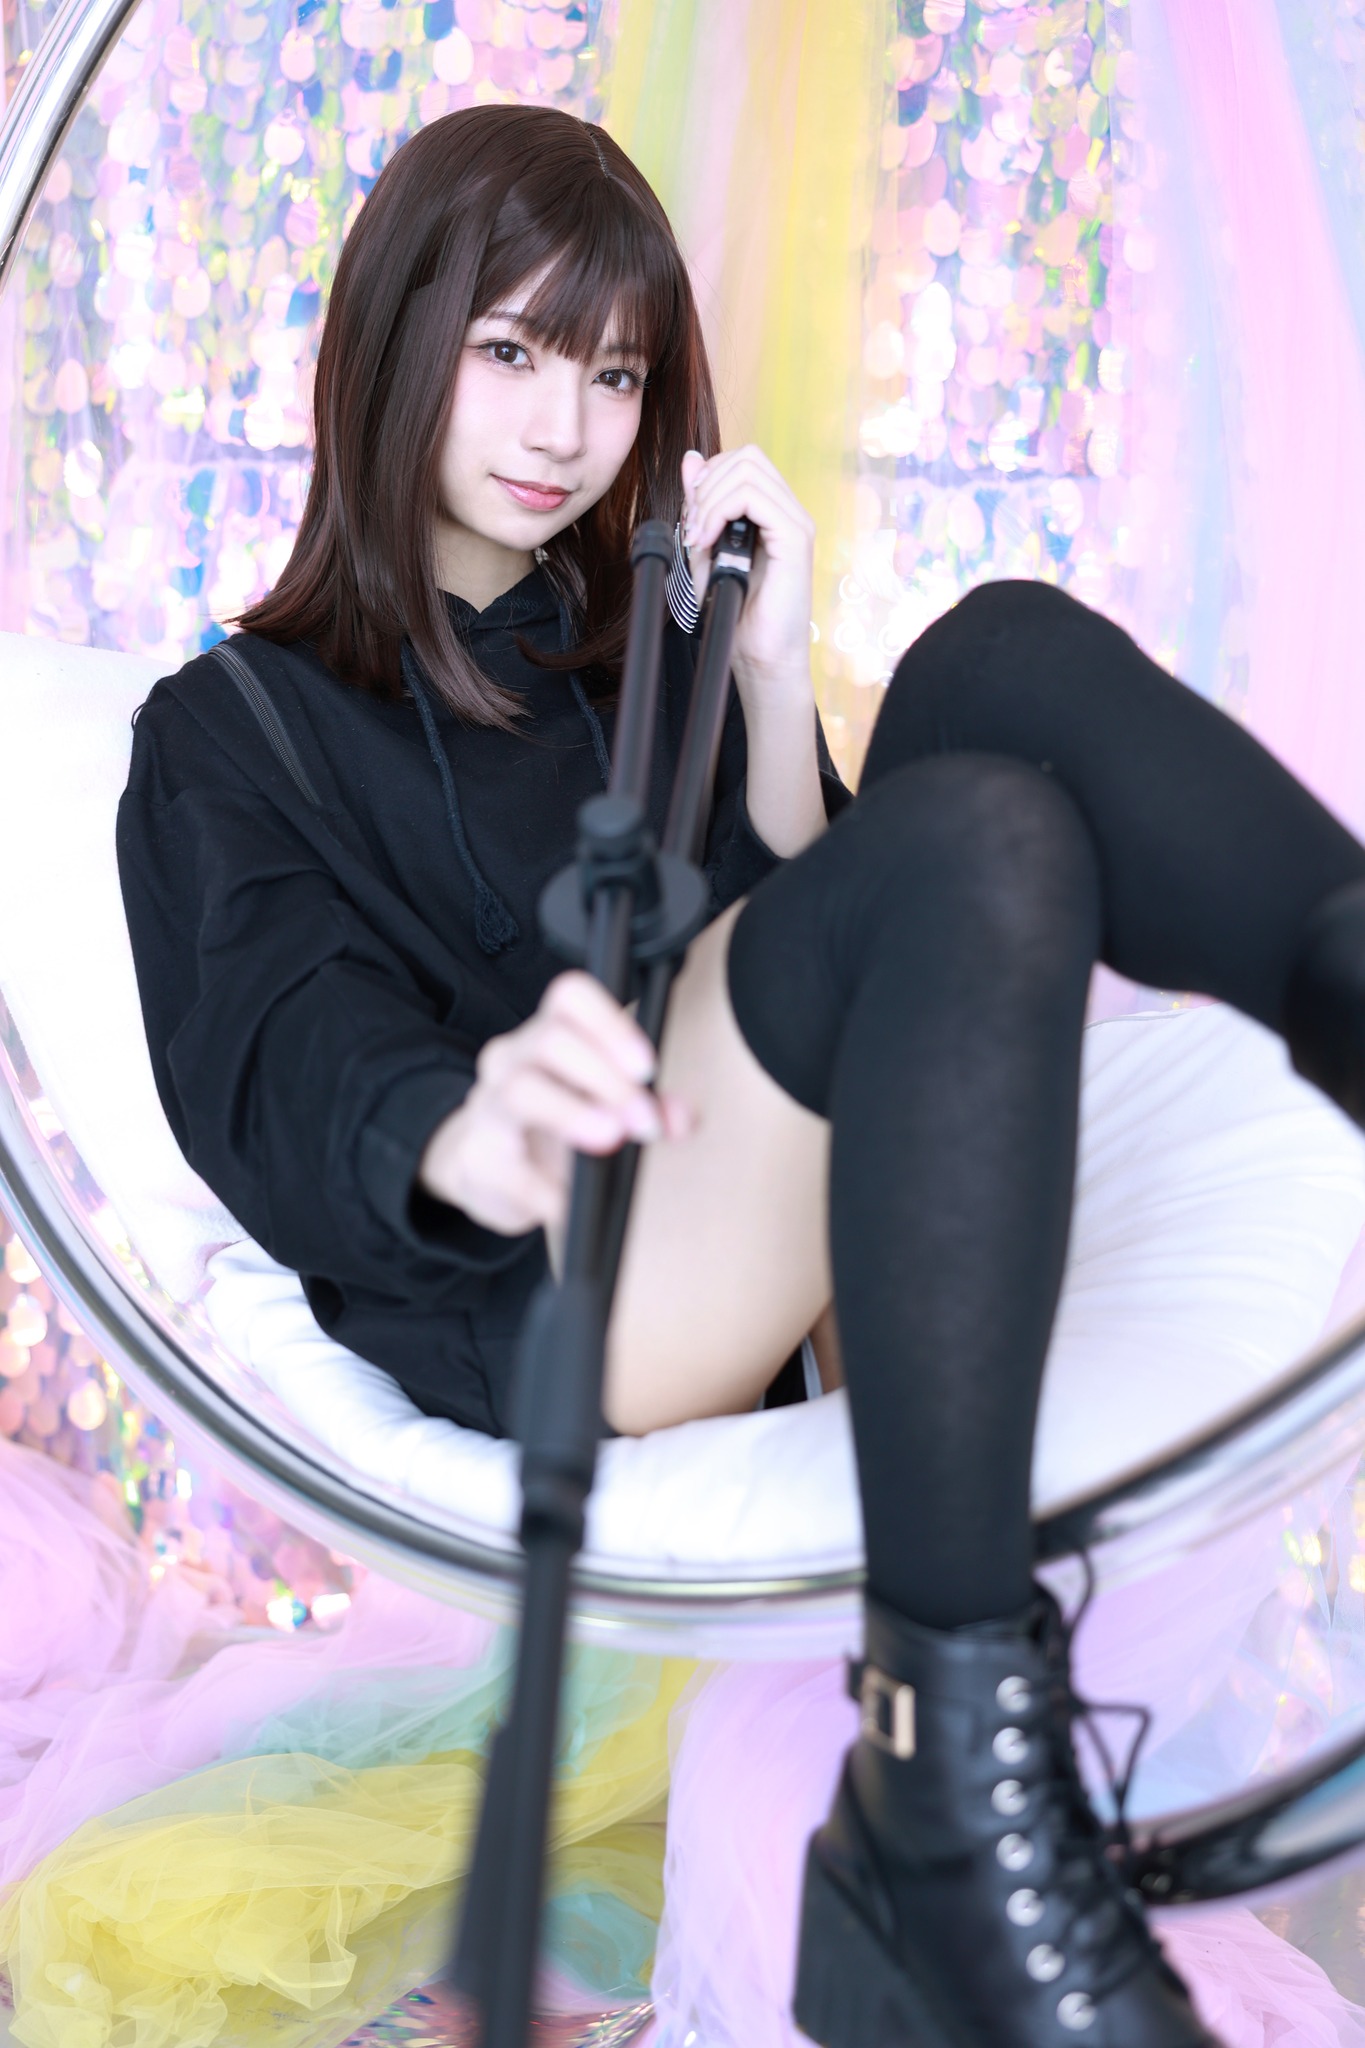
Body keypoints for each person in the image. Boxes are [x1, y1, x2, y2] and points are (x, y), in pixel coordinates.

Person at [115, 104, 1365, 2048]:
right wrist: (469, 1124)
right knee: (965, 839)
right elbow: (272, 1050)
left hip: (778, 1221)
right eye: (512, 351)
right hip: (548, 1277)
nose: (565, 426)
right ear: (392, 336)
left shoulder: (649, 659)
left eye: (615, 374)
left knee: (991, 658)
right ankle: (937, 1805)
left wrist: (768, 678)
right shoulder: (229, 732)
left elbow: (850, 951)